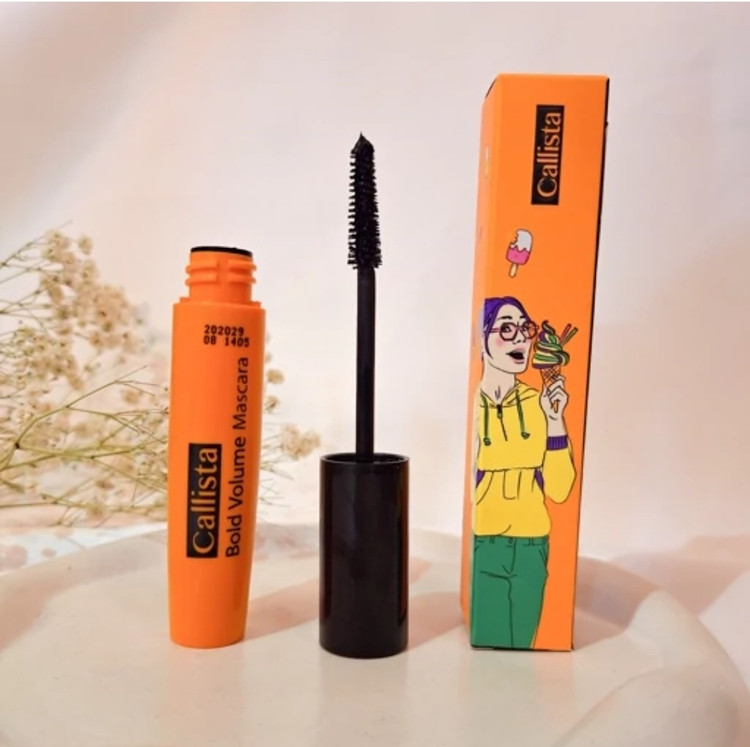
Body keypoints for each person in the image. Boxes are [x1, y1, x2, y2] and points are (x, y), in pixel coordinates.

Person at [471, 296, 576, 649]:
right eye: (506, 329)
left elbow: (560, 489)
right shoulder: (474, 405)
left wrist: (555, 420)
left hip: (532, 545)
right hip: (487, 543)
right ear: (482, 339)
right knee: (492, 643)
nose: (520, 338)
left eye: (524, 328)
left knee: (523, 645)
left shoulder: (538, 404)